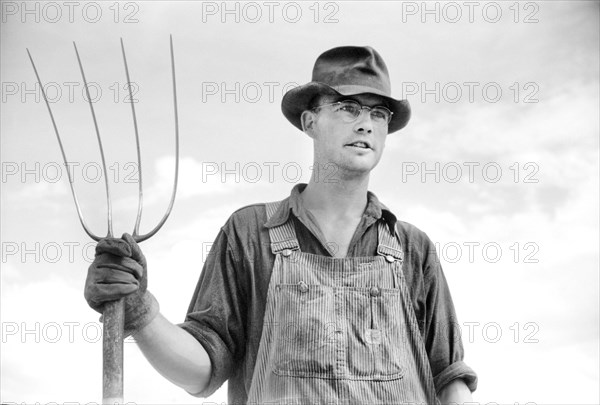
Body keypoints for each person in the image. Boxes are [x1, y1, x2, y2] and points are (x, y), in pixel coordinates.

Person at [85, 46, 478, 404]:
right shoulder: (249, 233)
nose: (366, 124)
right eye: (348, 107)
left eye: (378, 113)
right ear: (310, 121)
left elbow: (449, 379)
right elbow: (202, 369)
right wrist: (141, 314)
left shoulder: (412, 249)